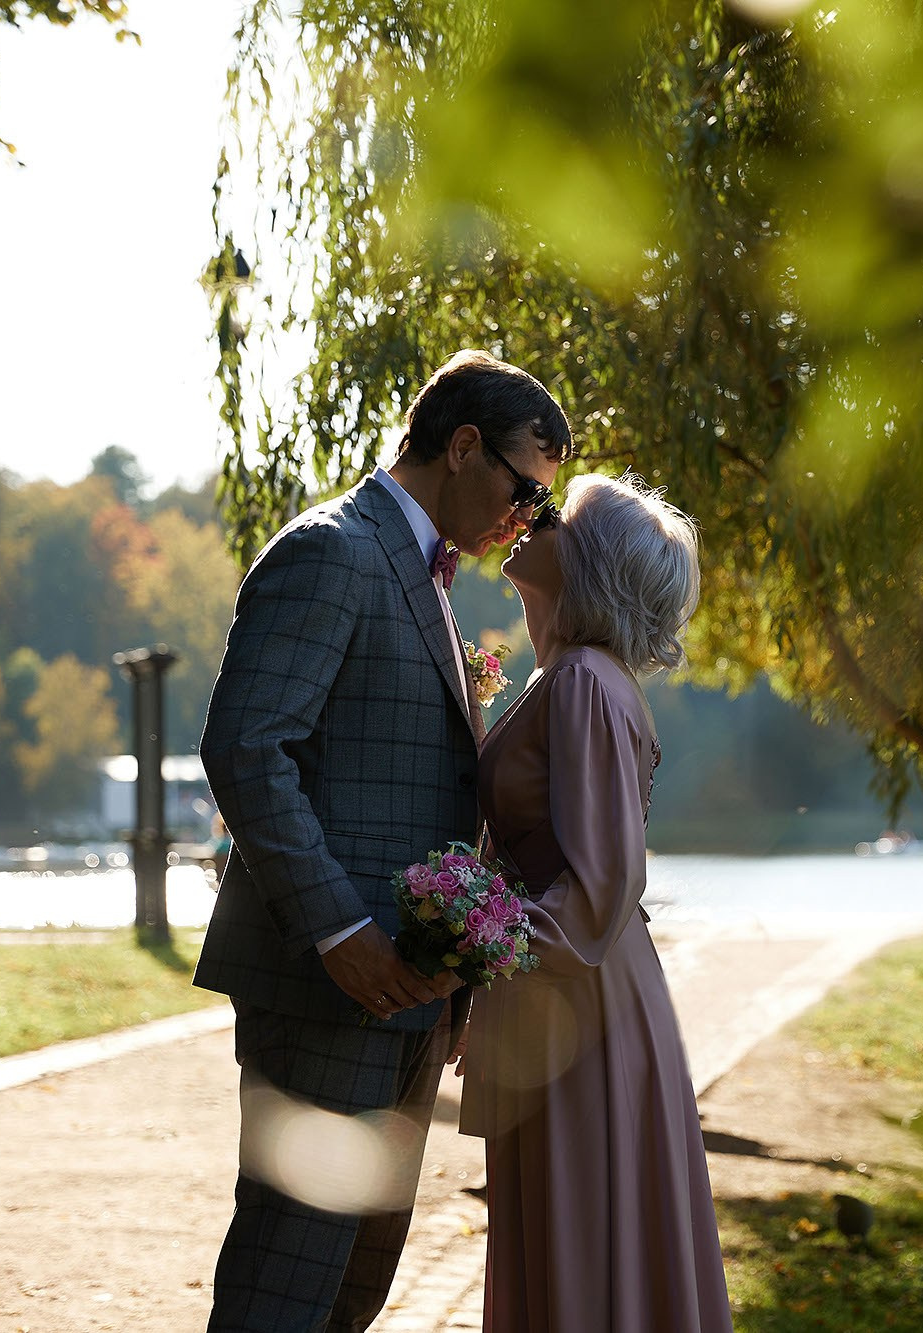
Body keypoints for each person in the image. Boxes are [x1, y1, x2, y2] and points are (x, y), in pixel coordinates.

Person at [195, 349, 571, 1331]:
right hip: (328, 987)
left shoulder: (424, 576)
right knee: (286, 1281)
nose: (526, 517)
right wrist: (338, 930)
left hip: (407, 997)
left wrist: (454, 985)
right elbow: (247, 748)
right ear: (463, 446)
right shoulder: (332, 551)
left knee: (353, 1287)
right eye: (526, 489)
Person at [457, 471, 733, 1331]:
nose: (532, 519)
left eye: (556, 516)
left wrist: (472, 940)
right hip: (574, 997)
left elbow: (600, 887)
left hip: (579, 1008)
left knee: (578, 1245)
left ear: (590, 564)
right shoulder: (575, 676)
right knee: (570, 1246)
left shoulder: (582, 681)